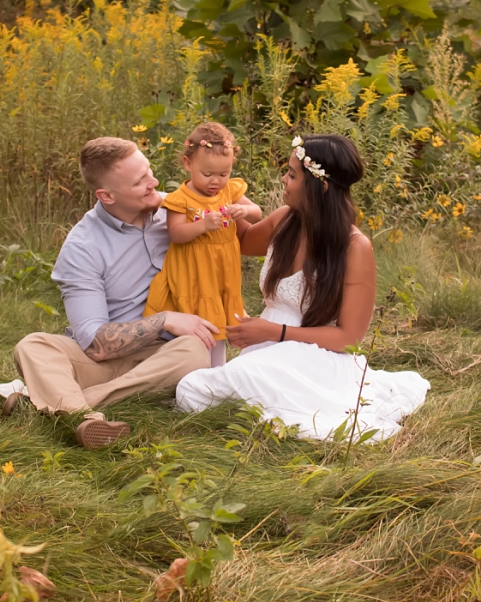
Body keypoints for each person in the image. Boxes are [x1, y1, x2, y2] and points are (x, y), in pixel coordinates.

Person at [175, 128, 431, 446]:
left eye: (292, 175)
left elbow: (349, 338)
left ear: (319, 186)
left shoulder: (354, 247)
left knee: (222, 384)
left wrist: (274, 333)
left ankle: (279, 409)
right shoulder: (285, 221)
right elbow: (238, 238)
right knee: (192, 390)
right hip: (265, 349)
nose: (284, 180)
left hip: (315, 356)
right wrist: (216, 186)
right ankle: (260, 405)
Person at [2, 137, 224, 446]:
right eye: (140, 182)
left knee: (195, 351)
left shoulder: (176, 212)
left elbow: (239, 223)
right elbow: (93, 343)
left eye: (149, 172)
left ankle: (68, 407)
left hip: (162, 356)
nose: (154, 183)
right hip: (99, 362)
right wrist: (165, 320)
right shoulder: (83, 247)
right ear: (107, 195)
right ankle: (79, 411)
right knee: (33, 346)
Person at [142, 118, 254, 341]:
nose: (216, 181)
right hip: (194, 269)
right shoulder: (181, 199)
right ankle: (194, 362)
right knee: (200, 315)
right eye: (208, 174)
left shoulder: (229, 191)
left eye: (224, 174)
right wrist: (202, 225)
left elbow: (257, 211)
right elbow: (176, 233)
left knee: (220, 317)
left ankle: (217, 367)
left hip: (223, 266)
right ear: (188, 163)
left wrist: (245, 212)